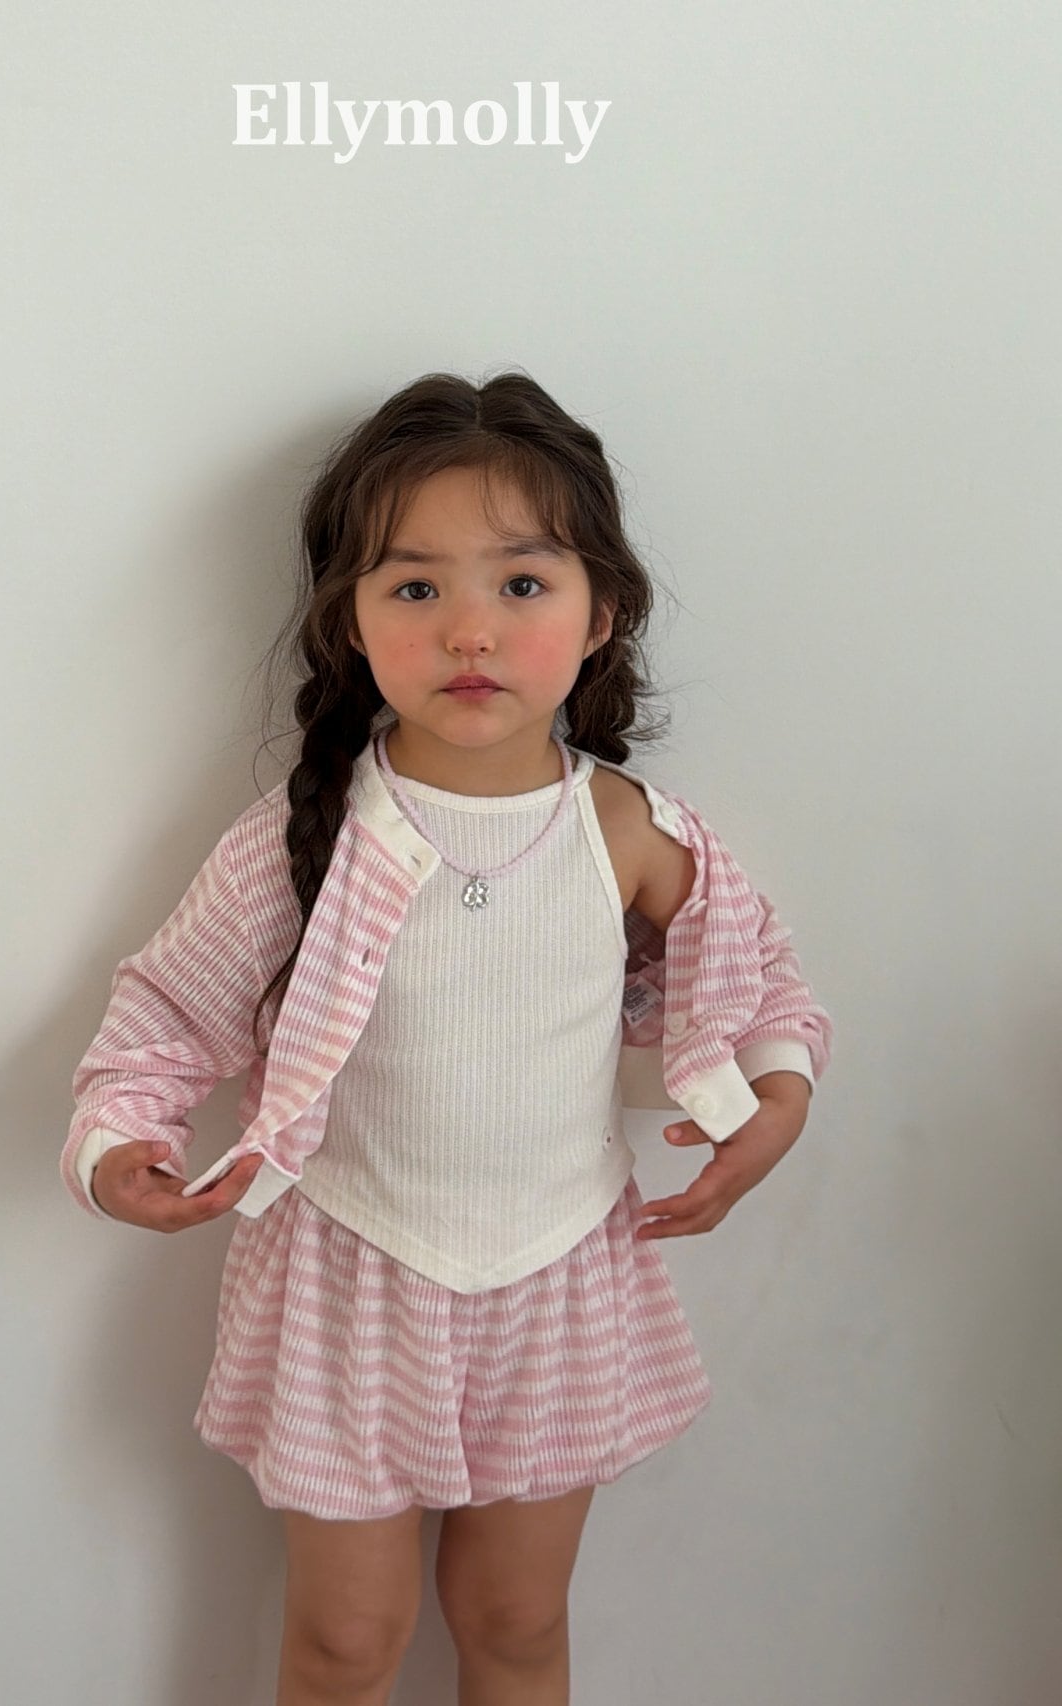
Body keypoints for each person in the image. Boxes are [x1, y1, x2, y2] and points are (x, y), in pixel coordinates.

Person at [61, 371, 833, 1706]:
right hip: (353, 1277)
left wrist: (774, 1103)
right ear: (351, 622)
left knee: (515, 1619)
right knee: (346, 1640)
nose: (471, 628)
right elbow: (168, 1012)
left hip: (557, 1275)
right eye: (416, 587)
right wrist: (117, 1139)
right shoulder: (303, 841)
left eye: (522, 583)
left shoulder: (629, 831)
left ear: (603, 611)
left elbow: (759, 982)